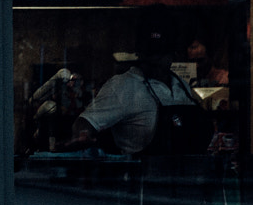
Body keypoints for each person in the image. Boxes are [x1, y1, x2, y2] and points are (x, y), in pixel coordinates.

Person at [70, 31, 210, 156]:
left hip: (190, 178)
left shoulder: (181, 86)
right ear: (139, 54)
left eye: (161, 53)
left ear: (173, 55)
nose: (155, 59)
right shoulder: (124, 85)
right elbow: (83, 123)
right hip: (144, 180)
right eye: (150, 53)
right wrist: (84, 136)